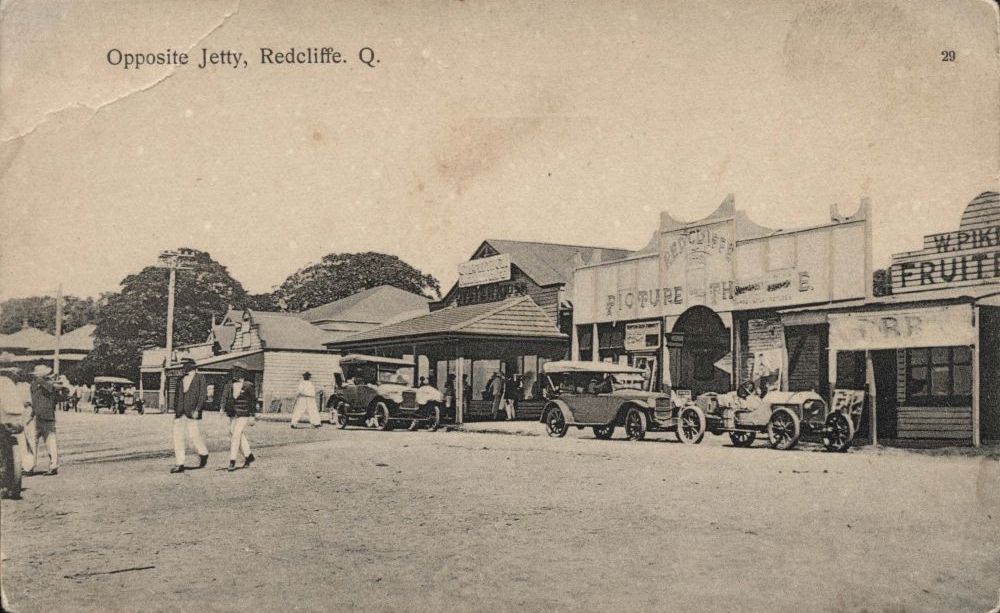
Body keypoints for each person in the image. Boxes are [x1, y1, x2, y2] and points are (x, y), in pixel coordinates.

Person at [171, 358, 209, 474]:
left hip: (192, 412)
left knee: (194, 435)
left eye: (185, 365)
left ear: (191, 366)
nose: (183, 367)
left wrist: (198, 409)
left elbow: (202, 395)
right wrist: (176, 410)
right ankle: (180, 463)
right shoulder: (180, 379)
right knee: (178, 437)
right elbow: (177, 396)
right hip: (180, 412)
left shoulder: (200, 378)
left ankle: (203, 453)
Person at [23, 364, 60, 476]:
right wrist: (31, 414)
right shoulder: (34, 384)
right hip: (37, 416)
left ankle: (53, 466)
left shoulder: (49, 383)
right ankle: (29, 467)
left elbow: (52, 391)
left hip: (47, 416)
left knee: (50, 441)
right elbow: (35, 401)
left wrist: (41, 381)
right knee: (31, 442)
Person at [220, 366, 256, 472]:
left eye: (238, 372)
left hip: (244, 413)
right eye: (234, 371)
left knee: (236, 435)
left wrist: (252, 415)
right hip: (233, 413)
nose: (235, 374)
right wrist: (222, 408)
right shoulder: (229, 384)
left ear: (243, 373)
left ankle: (232, 461)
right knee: (235, 433)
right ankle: (248, 455)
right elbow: (224, 397)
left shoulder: (248, 386)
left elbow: (253, 401)